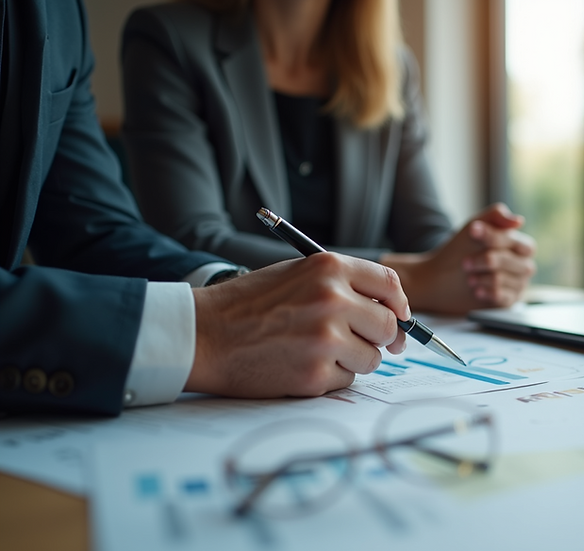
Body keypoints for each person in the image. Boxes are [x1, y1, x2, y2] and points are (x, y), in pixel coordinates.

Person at [0, 0, 415, 416]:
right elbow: (192, 231)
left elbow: (88, 228)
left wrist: (230, 286)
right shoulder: (169, 36)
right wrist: (203, 332)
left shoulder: (62, 12)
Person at [120, 0, 536, 316]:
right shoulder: (169, 38)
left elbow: (426, 238)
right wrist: (412, 279)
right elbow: (191, 241)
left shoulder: (391, 67)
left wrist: (481, 266)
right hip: (239, 335)